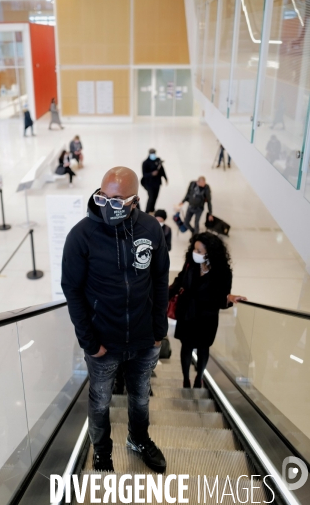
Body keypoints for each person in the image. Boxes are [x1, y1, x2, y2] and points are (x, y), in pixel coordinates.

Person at [62, 167, 170, 473]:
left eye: (119, 200)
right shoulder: (81, 236)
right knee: (99, 403)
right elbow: (72, 289)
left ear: (135, 201)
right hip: (102, 343)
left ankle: (138, 440)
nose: (110, 206)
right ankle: (102, 450)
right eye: (104, 197)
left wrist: (158, 330)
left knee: (140, 399)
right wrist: (89, 341)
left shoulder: (150, 229)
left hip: (143, 338)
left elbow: (160, 278)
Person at [169, 232, 246, 388]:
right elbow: (180, 279)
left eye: (199, 251)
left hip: (207, 317)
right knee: (186, 347)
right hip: (187, 313)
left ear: (210, 252)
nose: (195, 253)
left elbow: (222, 298)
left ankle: (199, 377)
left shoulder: (222, 271)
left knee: (204, 348)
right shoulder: (191, 262)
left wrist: (229, 298)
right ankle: (185, 380)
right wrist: (166, 293)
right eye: (194, 249)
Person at [141, 148, 168, 214]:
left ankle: (152, 210)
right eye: (152, 153)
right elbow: (144, 174)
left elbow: (162, 170)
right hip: (149, 184)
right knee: (151, 197)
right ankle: (147, 212)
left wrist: (165, 178)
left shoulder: (158, 160)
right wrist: (151, 174)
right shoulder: (145, 163)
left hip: (157, 183)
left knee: (155, 197)